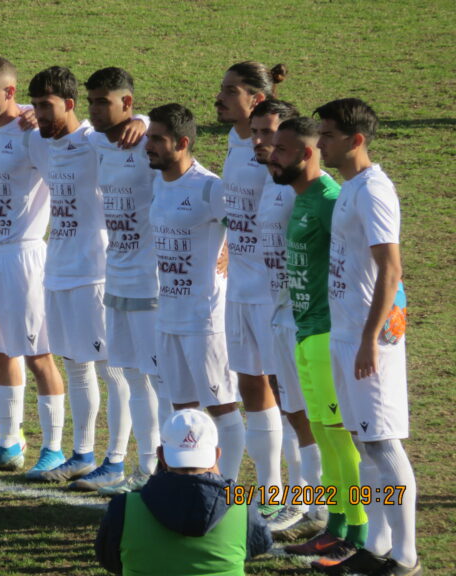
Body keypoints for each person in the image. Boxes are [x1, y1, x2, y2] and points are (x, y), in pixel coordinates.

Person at [316, 99, 421, 576]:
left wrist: (369, 339)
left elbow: (391, 269)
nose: (321, 142)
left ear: (356, 140)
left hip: (369, 340)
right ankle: (377, 546)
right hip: (347, 333)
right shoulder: (352, 187)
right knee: (364, 443)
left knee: (382, 444)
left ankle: (407, 557)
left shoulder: (375, 191)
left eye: (330, 135)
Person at [25, 66, 140, 487]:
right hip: (57, 271)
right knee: (75, 367)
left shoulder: (94, 142)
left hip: (96, 274)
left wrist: (139, 121)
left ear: (70, 105)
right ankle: (82, 454)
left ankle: (115, 462)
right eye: (34, 104)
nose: (38, 114)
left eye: (45, 106)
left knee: (112, 370)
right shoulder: (40, 140)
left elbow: (136, 135)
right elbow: (6, 111)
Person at [267, 116, 369, 570]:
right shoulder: (302, 199)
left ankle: (358, 534)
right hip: (306, 332)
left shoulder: (330, 200)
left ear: (307, 153)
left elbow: (374, 258)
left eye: (283, 150)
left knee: (340, 437)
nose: (273, 156)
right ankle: (334, 528)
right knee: (326, 439)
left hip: (330, 335)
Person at [0, 57, 66, 474]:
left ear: (10, 93)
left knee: (39, 356)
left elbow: (65, 185)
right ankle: (8, 443)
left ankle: (53, 448)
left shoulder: (31, 134)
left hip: (23, 256)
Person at [146, 103, 244, 481]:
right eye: (149, 137)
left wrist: (230, 250)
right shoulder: (159, 182)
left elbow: (246, 223)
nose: (149, 146)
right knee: (181, 409)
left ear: (182, 143)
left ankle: (228, 488)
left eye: (158, 139)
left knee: (222, 406)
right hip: (168, 314)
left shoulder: (208, 187)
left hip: (204, 318)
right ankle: (185, 482)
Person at [83, 66, 165, 495]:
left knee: (158, 379)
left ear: (127, 104)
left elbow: (193, 173)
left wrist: (145, 121)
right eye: (92, 100)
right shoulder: (96, 140)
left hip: (151, 282)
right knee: (131, 375)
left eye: (105, 101)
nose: (96, 110)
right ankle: (145, 467)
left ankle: (169, 468)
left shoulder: (150, 140)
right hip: (116, 277)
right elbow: (53, 122)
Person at [251, 99, 327, 539]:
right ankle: (309, 500)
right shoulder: (272, 180)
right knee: (294, 411)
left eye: (273, 138)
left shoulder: (316, 188)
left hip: (306, 318)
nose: (263, 144)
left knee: (315, 416)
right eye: (259, 135)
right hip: (277, 311)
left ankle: (316, 503)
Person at [214, 61, 284, 514]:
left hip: (271, 290)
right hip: (237, 284)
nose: (217, 98)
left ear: (255, 99)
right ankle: (261, 493)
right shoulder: (234, 141)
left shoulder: (275, 148)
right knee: (251, 385)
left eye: (229, 91)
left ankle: (287, 495)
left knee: (287, 390)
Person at [95, 408, 272, 575]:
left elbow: (109, 559)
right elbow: (259, 545)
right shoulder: (242, 507)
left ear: (161, 455)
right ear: (217, 455)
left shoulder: (123, 507)